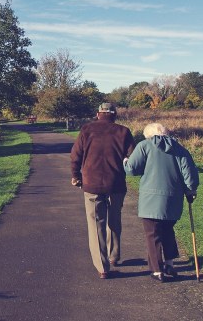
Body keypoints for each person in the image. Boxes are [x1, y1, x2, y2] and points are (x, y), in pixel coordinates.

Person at [123, 123, 199, 282]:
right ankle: (169, 264)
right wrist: (191, 191)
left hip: (150, 200)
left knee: (152, 234)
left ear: (148, 135)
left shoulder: (144, 146)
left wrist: (125, 161)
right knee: (167, 230)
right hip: (173, 199)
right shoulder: (180, 149)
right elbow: (189, 175)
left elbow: (131, 169)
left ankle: (157, 270)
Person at [70, 103, 135, 279]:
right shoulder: (124, 131)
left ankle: (102, 267)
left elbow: (75, 155)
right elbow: (132, 158)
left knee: (96, 224)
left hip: (92, 184)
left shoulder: (86, 130)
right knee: (114, 220)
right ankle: (114, 256)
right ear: (114, 115)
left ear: (98, 114)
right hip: (116, 184)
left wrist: (76, 175)